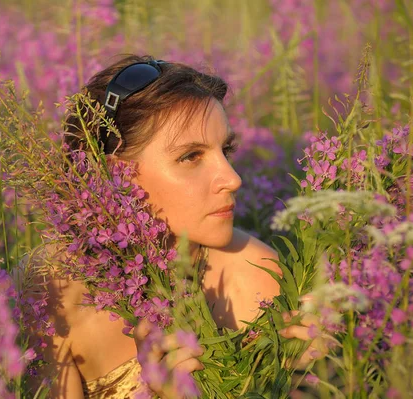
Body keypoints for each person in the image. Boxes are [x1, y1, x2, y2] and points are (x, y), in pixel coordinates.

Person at [26, 55, 325, 399]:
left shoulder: (257, 277)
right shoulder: (53, 291)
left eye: (226, 149)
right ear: (114, 175)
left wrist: (307, 375)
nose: (232, 178)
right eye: (190, 156)